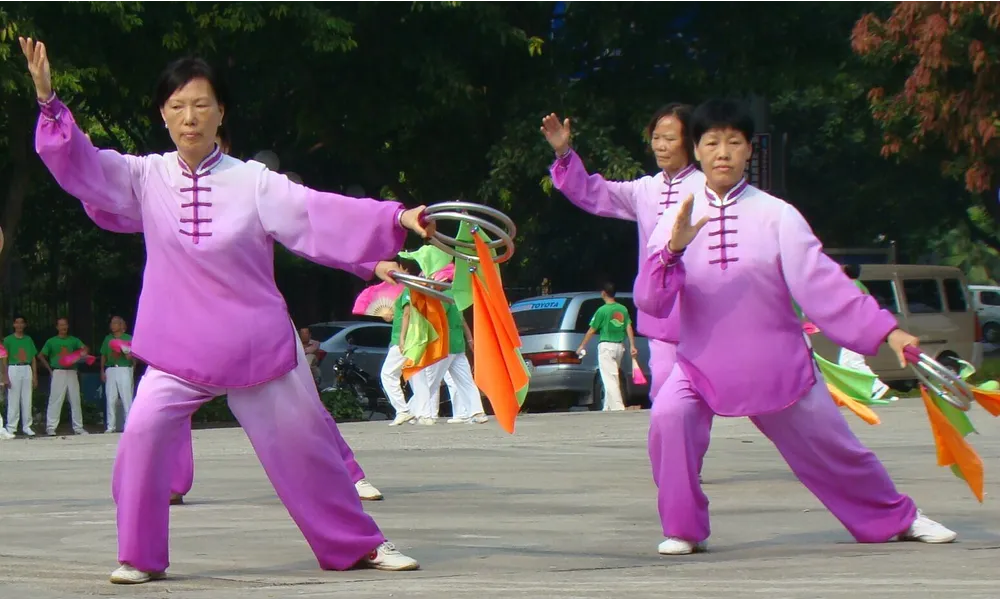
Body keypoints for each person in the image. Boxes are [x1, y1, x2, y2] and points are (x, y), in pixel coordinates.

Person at [22, 37, 431, 583]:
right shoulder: (145, 177)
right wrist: (50, 104)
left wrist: (396, 219)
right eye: (176, 107)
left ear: (220, 113)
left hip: (254, 344)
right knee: (140, 439)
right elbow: (83, 166)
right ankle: (139, 556)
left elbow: (319, 215)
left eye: (200, 105)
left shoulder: (253, 181)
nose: (189, 117)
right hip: (177, 347)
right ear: (163, 116)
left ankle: (358, 545)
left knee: (307, 450)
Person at [635, 98, 955, 556]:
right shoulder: (673, 219)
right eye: (712, 143)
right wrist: (672, 252)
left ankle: (897, 518)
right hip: (700, 365)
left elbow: (825, 285)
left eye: (734, 142)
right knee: (668, 418)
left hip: (777, 366)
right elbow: (650, 299)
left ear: (749, 151)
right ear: (697, 151)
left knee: (834, 447)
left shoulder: (778, 214)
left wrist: (889, 332)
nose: (723, 152)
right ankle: (684, 528)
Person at [543, 104, 706, 401]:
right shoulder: (645, 189)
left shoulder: (711, 189)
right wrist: (565, 154)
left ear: (691, 142)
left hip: (709, 312)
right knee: (668, 396)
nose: (660, 146)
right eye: (656, 137)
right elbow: (593, 192)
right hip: (663, 315)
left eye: (669, 138)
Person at [837, 264, 896, 402]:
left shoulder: (850, 286)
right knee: (845, 363)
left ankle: (877, 387)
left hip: (856, 328)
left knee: (853, 362)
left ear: (846, 271)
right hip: (859, 327)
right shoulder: (859, 285)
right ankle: (860, 392)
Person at [575, 282, 637, 412]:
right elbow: (628, 326)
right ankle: (607, 407)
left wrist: (582, 345)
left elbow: (592, 330)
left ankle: (618, 407)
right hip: (620, 346)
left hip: (606, 346)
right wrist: (632, 345)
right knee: (612, 375)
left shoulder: (602, 311)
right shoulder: (622, 309)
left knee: (610, 377)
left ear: (603, 293)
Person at [38, 317, 89, 436]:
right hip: (58, 371)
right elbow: (41, 355)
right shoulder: (51, 341)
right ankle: (51, 427)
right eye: (61, 325)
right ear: (57, 327)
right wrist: (50, 370)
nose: (63, 327)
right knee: (55, 399)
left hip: (72, 371)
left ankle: (78, 427)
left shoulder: (74, 340)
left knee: (75, 399)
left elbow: (85, 349)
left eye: (65, 325)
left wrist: (83, 352)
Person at [3, 316, 39, 437]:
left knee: (27, 398)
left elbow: (33, 358)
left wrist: (35, 376)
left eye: (21, 323)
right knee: (13, 398)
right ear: (13, 325)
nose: (19, 325)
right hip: (13, 368)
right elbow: (4, 359)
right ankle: (11, 427)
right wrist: (5, 375)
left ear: (24, 325)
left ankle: (27, 426)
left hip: (26, 368)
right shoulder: (8, 340)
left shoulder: (28, 339)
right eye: (17, 323)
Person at [101, 316, 136, 433]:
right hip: (111, 369)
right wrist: (102, 370)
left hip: (124, 368)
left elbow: (135, 356)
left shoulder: (128, 338)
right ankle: (111, 426)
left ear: (121, 325)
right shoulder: (107, 339)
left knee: (126, 397)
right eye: (111, 323)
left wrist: (130, 359)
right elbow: (103, 355)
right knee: (111, 398)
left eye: (115, 323)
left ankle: (129, 424)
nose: (112, 325)